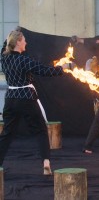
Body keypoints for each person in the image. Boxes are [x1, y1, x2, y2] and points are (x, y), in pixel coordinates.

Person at [0, 29, 69, 175]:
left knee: (7, 134)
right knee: (40, 130)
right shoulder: (24, 60)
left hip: (11, 99)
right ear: (18, 42)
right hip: (26, 98)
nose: (26, 42)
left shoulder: (3, 58)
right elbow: (44, 71)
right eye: (23, 40)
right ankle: (46, 163)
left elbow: (5, 45)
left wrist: (12, 35)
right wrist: (62, 69)